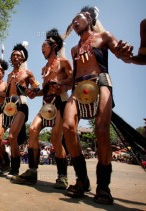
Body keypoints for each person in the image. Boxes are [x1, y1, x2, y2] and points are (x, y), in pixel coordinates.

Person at [62, 6, 132, 205]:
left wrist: (124, 51)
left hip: (101, 82)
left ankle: (103, 185)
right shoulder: (75, 49)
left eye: (78, 18)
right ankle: (82, 179)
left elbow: (121, 54)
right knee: (67, 126)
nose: (74, 23)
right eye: (72, 21)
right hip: (78, 87)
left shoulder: (104, 37)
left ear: (89, 18)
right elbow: (74, 76)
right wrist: (61, 83)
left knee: (101, 131)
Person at [11, 29, 73, 187]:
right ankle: (32, 171)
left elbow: (73, 81)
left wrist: (61, 85)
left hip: (60, 102)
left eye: (44, 45)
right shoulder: (45, 68)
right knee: (33, 130)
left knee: (55, 137)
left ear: (54, 46)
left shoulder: (64, 62)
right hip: (46, 104)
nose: (41, 49)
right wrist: (33, 93)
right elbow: (45, 90)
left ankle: (62, 176)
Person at [0, 43, 40, 179]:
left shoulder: (27, 73)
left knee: (12, 137)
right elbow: (7, 94)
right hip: (7, 106)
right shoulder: (8, 76)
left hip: (20, 105)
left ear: (23, 58)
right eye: (13, 55)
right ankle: (5, 162)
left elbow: (36, 88)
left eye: (18, 55)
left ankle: (15, 169)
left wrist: (32, 89)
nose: (15, 57)